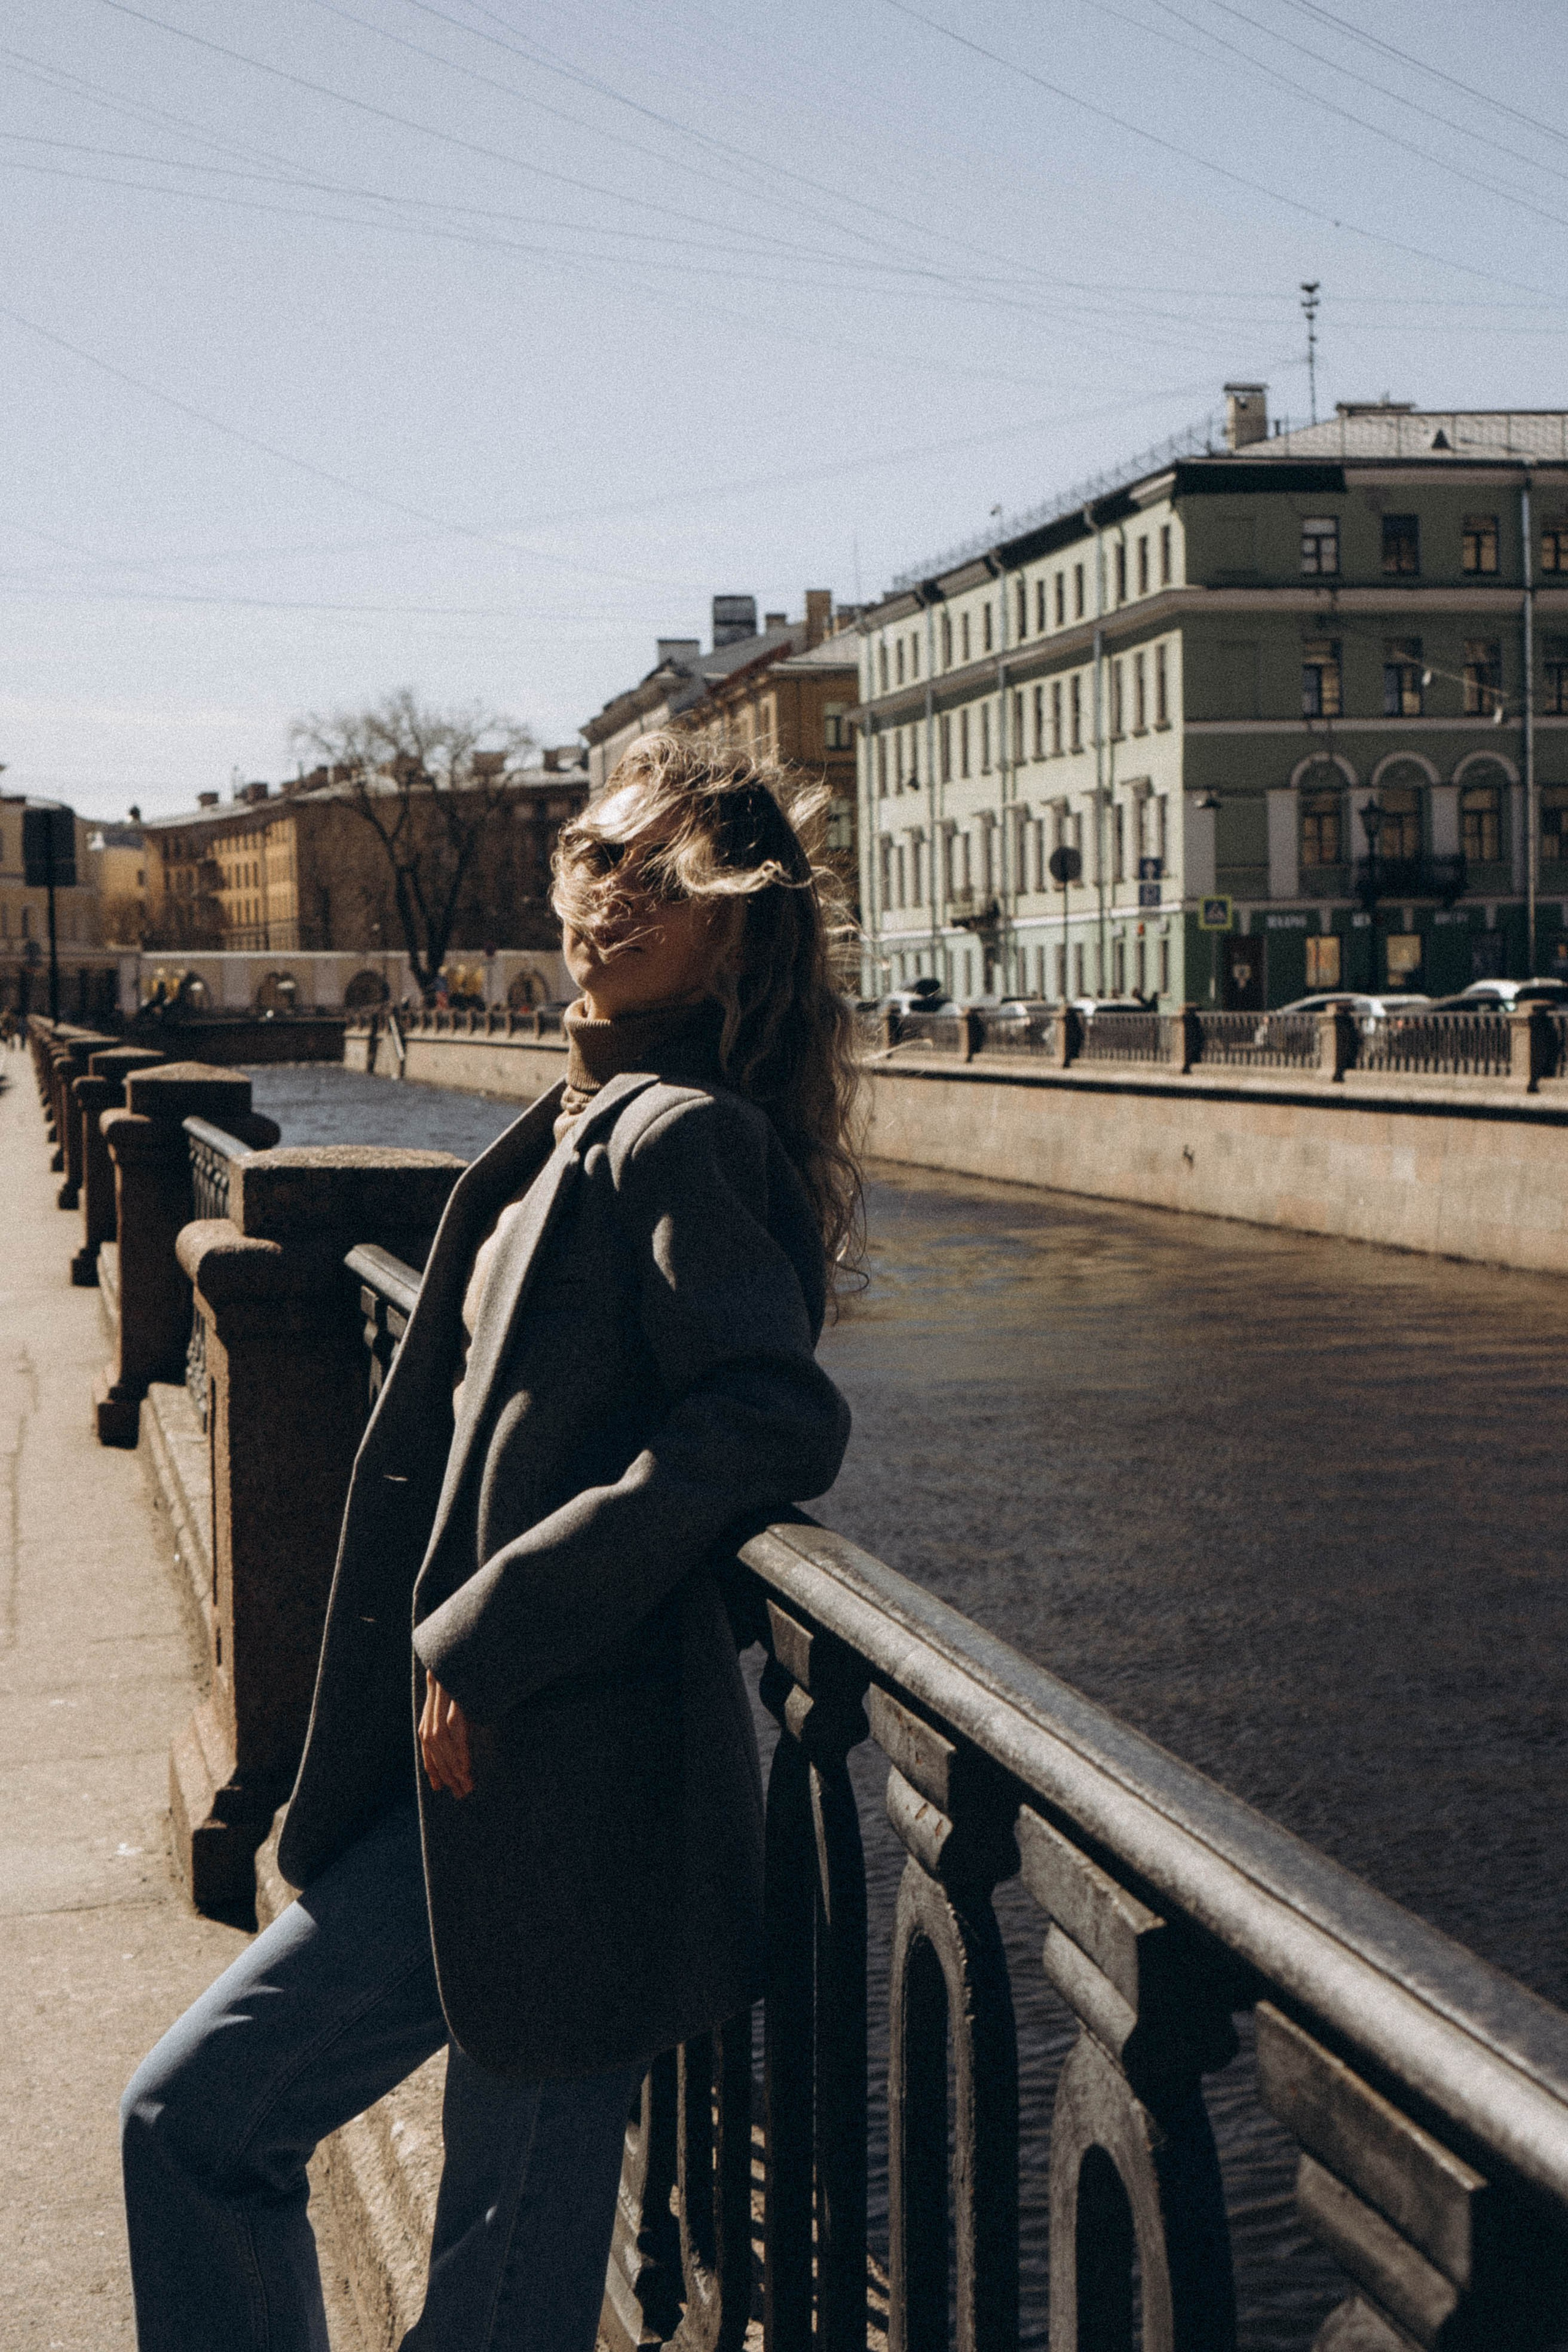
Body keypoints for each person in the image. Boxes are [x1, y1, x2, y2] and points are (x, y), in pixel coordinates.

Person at [120, 732, 861, 2350]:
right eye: (602, 860)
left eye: (662, 880)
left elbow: (767, 1420)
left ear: (734, 928)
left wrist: (493, 1630)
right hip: (474, 1789)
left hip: (578, 1798)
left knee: (486, 2290)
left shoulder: (684, 1136)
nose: (612, 900)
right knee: (201, 2129)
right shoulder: (580, 1120)